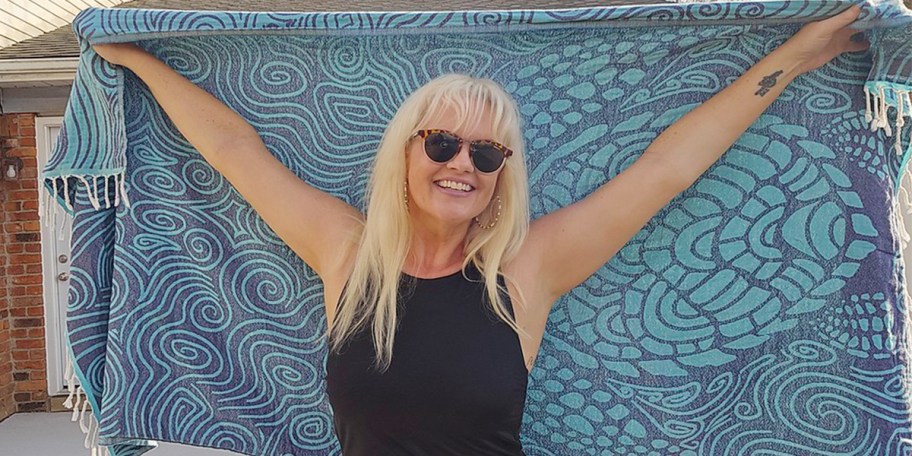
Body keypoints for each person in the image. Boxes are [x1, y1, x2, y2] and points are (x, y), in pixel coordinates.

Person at [92, 4, 869, 455]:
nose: (463, 163)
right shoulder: (348, 254)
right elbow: (234, 151)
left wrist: (794, 61)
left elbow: (666, 170)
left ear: (503, 170)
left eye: (488, 151)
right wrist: (132, 58)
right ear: (406, 153)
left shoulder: (528, 270)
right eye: (442, 142)